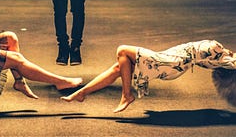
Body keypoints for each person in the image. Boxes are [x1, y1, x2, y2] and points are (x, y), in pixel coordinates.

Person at [61, 39, 236, 113]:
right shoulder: (219, 53)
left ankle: (126, 95)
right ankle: (82, 93)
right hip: (167, 59)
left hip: (170, 63)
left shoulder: (220, 54)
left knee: (122, 50)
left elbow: (231, 61)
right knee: (119, 68)